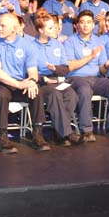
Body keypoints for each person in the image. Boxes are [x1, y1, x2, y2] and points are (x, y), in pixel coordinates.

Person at [0, 13, 50, 151]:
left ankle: (37, 134)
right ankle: (2, 136)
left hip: (20, 81)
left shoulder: (28, 44)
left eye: (3, 26)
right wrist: (18, 84)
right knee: (2, 94)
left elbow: (32, 70)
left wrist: (32, 81)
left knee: (35, 91)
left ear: (14, 29)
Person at [64, 10, 109, 141]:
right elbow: (70, 66)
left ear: (93, 25)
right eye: (82, 22)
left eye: (88, 22)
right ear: (77, 25)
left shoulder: (98, 41)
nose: (85, 25)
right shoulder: (70, 41)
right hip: (76, 78)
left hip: (96, 78)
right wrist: (90, 56)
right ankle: (86, 130)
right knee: (85, 90)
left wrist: (107, 65)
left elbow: (102, 70)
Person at [32, 12, 83, 145]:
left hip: (58, 78)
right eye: (50, 28)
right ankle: (67, 133)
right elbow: (27, 71)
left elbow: (65, 68)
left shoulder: (58, 45)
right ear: (40, 30)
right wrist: (44, 79)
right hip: (41, 82)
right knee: (54, 94)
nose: (54, 29)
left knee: (71, 95)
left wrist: (55, 69)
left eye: (54, 27)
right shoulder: (31, 46)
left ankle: (59, 131)